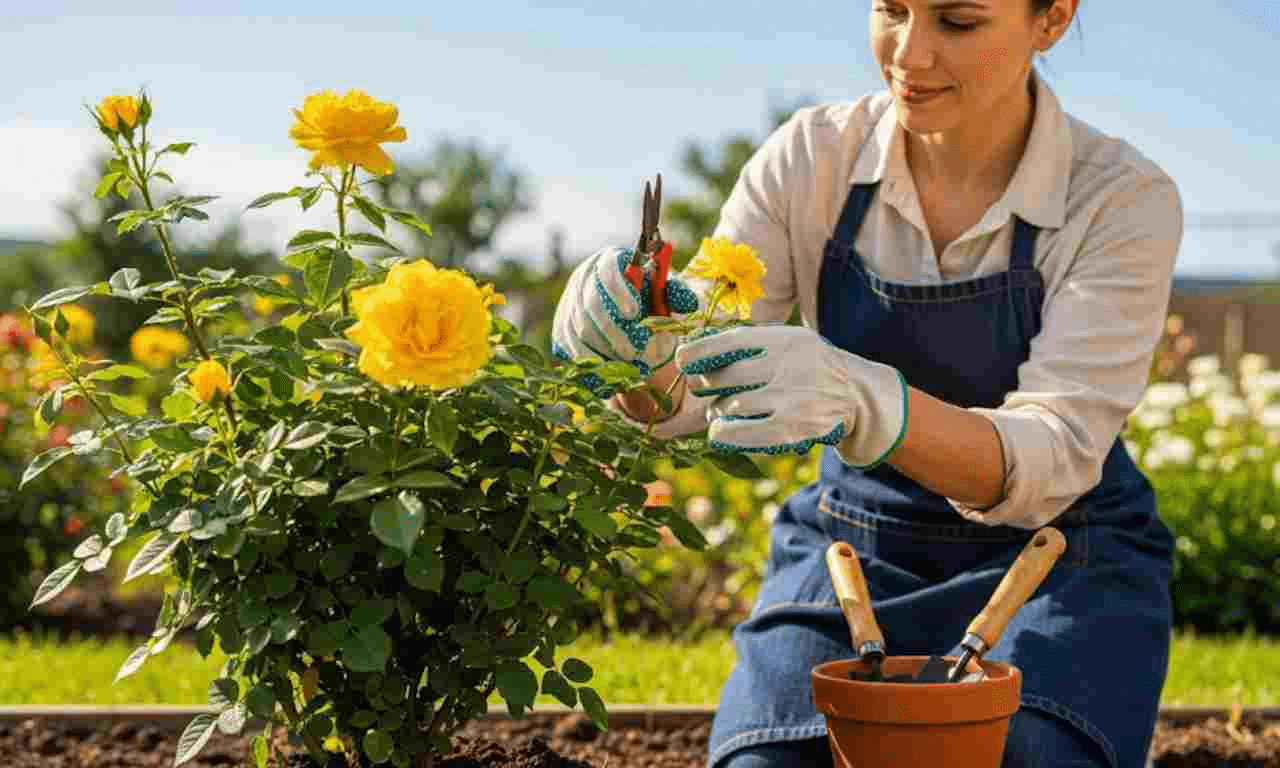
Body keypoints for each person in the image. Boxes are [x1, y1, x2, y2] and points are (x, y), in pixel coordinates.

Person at [551, 0, 1183, 765]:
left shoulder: (1118, 198)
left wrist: (872, 403)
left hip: (1056, 558)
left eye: (957, 21)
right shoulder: (811, 159)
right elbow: (687, 390)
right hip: (852, 552)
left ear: (1050, 19)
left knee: (1019, 753)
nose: (908, 57)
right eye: (892, 9)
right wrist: (637, 353)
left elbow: (1053, 455)